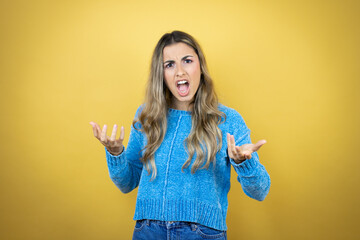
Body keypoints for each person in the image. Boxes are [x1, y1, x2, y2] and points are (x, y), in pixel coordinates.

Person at [90, 30, 270, 240]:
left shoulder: (227, 119)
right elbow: (126, 183)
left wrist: (244, 163)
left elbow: (260, 191)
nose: (180, 72)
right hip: (148, 232)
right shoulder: (146, 116)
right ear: (162, 74)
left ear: (200, 67)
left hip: (202, 234)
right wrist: (115, 153)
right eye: (170, 64)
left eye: (187, 61)